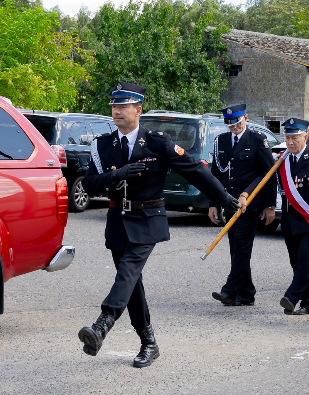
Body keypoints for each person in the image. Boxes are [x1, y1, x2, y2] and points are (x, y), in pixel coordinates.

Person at [77, 82, 238, 368]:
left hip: (148, 220)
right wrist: (118, 175)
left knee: (127, 273)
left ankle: (103, 324)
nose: (117, 111)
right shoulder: (102, 145)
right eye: (114, 106)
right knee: (132, 284)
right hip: (118, 221)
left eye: (123, 106)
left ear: (138, 110)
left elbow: (194, 171)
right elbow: (89, 185)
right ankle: (149, 342)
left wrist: (224, 198)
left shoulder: (158, 142)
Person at [265, 118, 309, 316]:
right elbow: (265, 180)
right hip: (289, 221)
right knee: (297, 264)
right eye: (287, 138)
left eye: (294, 138)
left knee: (304, 262)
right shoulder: (282, 160)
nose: (290, 142)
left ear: (306, 136)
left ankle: (292, 296)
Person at [209, 104, 275, 307]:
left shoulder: (257, 140)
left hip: (250, 204)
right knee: (235, 248)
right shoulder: (221, 141)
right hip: (230, 204)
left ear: (245, 118)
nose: (234, 127)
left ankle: (230, 291)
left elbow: (267, 174)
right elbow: (215, 174)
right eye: (229, 123)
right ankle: (246, 293)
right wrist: (213, 203)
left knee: (242, 247)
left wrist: (269, 205)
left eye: (237, 122)